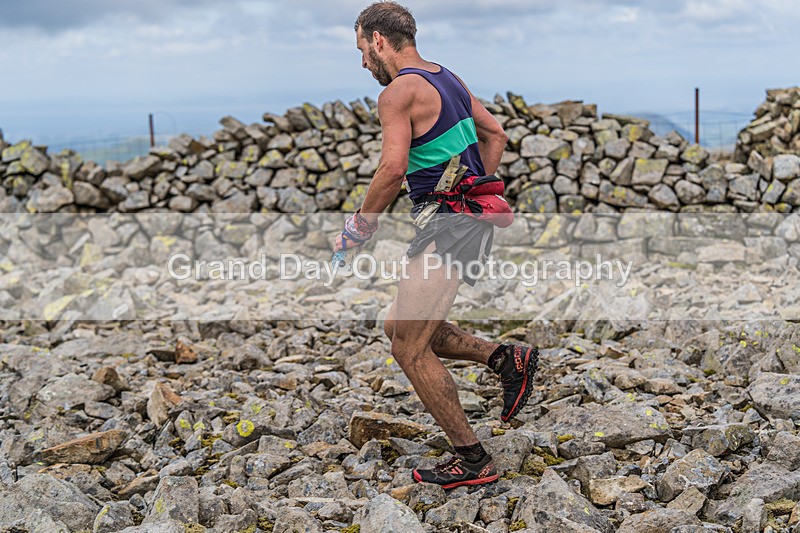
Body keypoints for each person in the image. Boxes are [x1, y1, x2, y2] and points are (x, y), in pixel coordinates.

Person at [334, 1, 538, 489]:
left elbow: (392, 169)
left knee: (408, 346)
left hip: (449, 226)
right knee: (398, 325)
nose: (363, 62)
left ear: (379, 41)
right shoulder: (448, 78)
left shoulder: (399, 92)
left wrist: (359, 228)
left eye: (362, 50)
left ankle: (472, 460)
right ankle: (504, 359)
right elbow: (496, 133)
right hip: (461, 221)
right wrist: (476, 189)